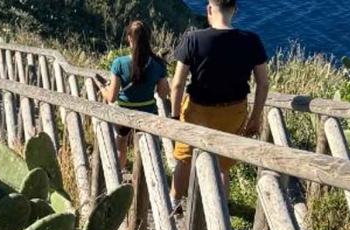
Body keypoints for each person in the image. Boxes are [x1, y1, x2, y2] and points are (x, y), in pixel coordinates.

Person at [167, 0, 269, 207]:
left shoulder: (193, 38)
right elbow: (263, 83)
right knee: (222, 165)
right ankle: (219, 210)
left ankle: (175, 202)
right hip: (234, 110)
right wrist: (255, 117)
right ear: (235, 11)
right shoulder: (251, 40)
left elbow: (177, 84)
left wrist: (175, 115)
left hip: (198, 110)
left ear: (209, 9)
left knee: (185, 158)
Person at [99, 20, 171, 171]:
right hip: (148, 112)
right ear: (149, 39)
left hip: (123, 112)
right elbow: (163, 94)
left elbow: (111, 97)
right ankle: (145, 180)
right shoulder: (158, 64)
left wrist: (101, 88)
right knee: (147, 148)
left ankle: (118, 179)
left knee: (121, 145)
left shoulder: (119, 63)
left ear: (129, 38)